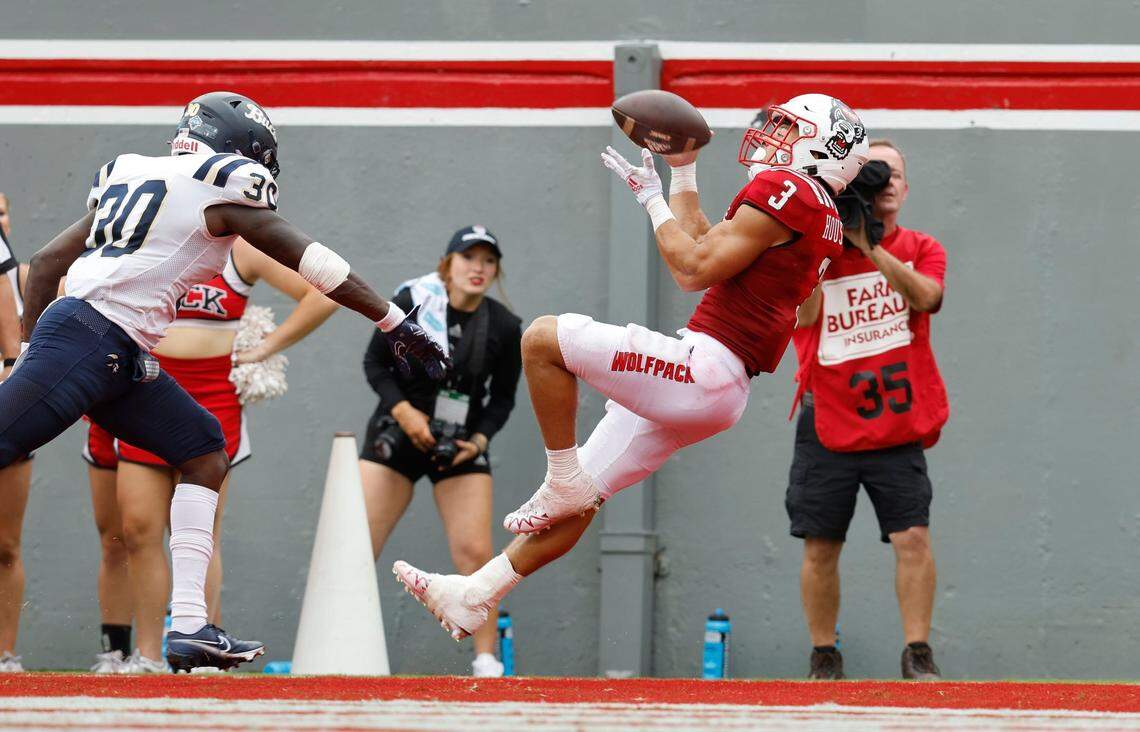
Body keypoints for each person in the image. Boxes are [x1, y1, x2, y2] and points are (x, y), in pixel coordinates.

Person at [391, 93, 868, 642]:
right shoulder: (820, 209)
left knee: (544, 339)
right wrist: (683, 173)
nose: (769, 136)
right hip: (720, 387)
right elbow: (707, 243)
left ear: (822, 148)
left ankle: (560, 474)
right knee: (582, 499)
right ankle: (477, 595)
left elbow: (691, 268)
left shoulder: (787, 190)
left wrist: (651, 202)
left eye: (788, 129)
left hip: (704, 367)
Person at [0, 90, 447, 673]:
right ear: (240, 149)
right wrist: (391, 319)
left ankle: (189, 627)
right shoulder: (218, 184)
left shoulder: (133, 171)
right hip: (90, 338)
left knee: (204, 449)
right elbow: (309, 257)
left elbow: (47, 260)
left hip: (111, 347)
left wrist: (35, 346)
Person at [83, 237, 338, 673]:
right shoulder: (155, 236)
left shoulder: (245, 248)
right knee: (138, 527)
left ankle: (197, 646)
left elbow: (324, 293)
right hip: (146, 387)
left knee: (200, 532)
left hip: (212, 398)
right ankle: (147, 656)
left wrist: (264, 347)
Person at [786, 139, 948, 680]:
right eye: (876, 177)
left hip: (896, 421)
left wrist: (872, 247)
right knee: (821, 543)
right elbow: (803, 318)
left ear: (907, 187)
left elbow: (927, 297)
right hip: (827, 418)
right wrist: (825, 241)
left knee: (913, 537)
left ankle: (917, 652)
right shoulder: (820, 250)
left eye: (896, 175)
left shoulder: (921, 246)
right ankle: (823, 653)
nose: (888, 185)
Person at [360, 225, 521, 677]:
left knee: (475, 551)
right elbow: (375, 363)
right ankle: (343, 647)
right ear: (446, 265)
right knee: (357, 545)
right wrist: (404, 411)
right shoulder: (413, 302)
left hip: (459, 446)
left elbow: (504, 397)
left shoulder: (505, 326)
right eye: (469, 258)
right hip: (397, 432)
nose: (479, 268)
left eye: (488, 261)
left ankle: (487, 661)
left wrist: (480, 441)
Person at [0, 194, 32, 673]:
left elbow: (13, 343)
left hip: (5, 397)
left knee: (4, 544)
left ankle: (5, 655)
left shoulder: (19, 270)